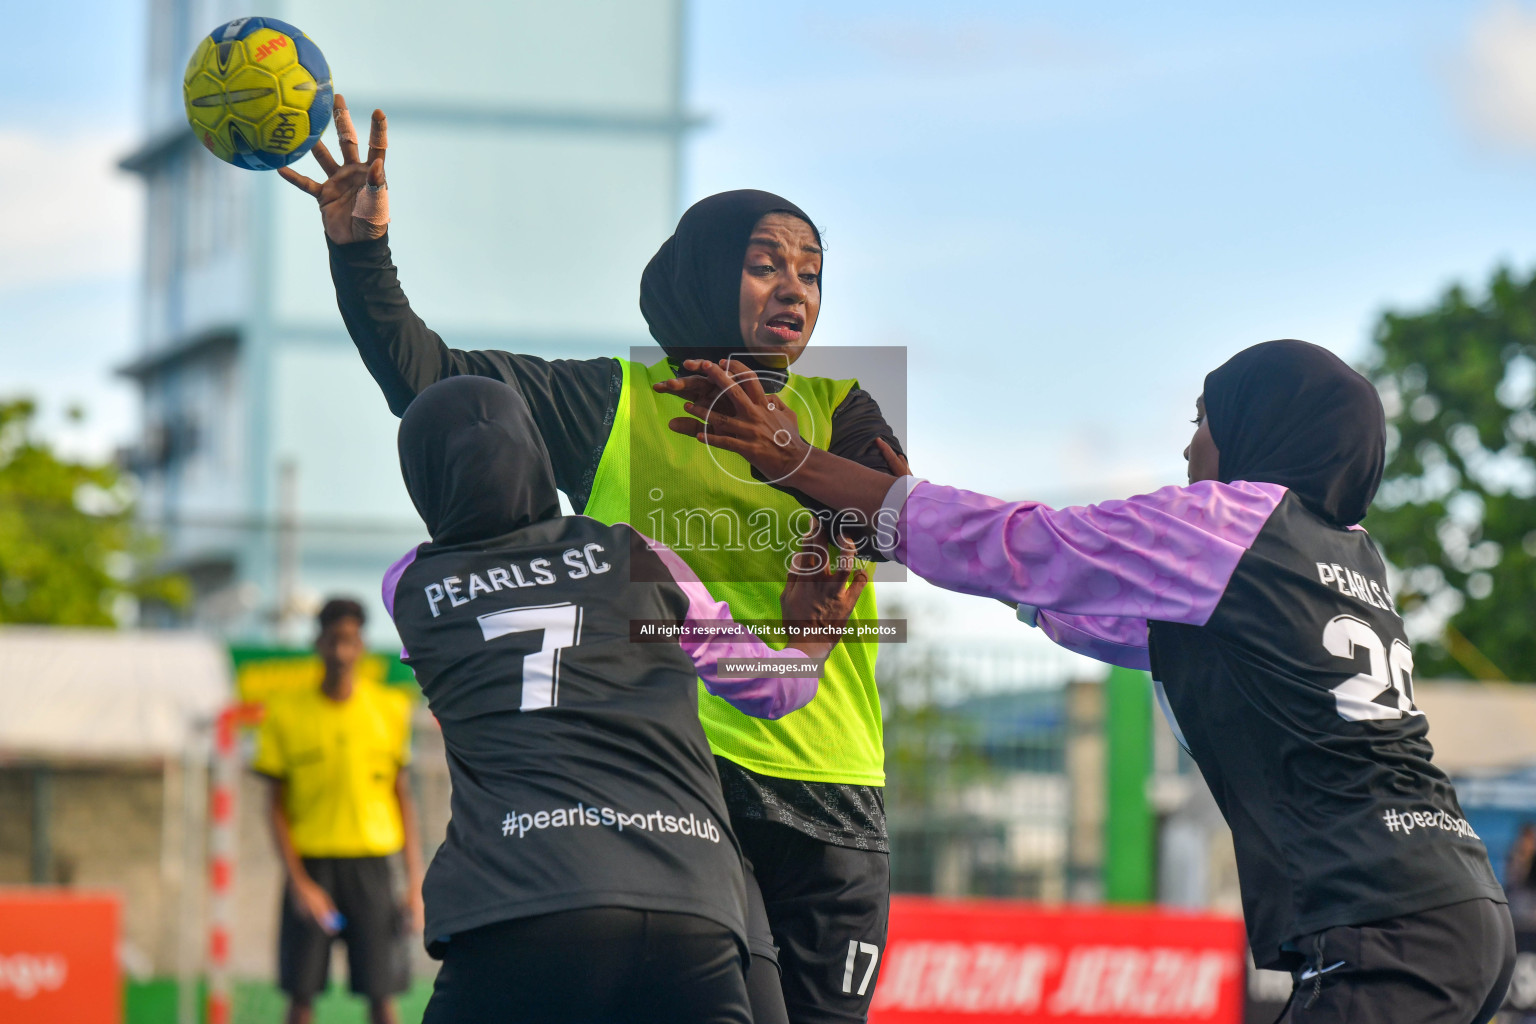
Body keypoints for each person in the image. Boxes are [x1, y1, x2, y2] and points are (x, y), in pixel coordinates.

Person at [280, 96, 904, 1022]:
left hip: (834, 788)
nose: (795, 290)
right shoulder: (615, 403)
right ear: (700, 276)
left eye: (810, 273)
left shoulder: (843, 404)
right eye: (765, 265)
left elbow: (897, 524)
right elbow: (437, 390)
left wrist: (790, 458)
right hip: (685, 792)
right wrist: (362, 253)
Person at [671, 340, 1516, 1024]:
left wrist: (799, 461)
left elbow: (1029, 543)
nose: (1189, 447)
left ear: (1258, 428)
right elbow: (1114, 618)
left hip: (1382, 926)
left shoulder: (1231, 518)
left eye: (1201, 422)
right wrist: (910, 527)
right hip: (1457, 910)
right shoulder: (1347, 554)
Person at [384, 375, 868, 1023]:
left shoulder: (412, 586)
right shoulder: (640, 556)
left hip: (520, 896)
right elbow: (771, 688)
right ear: (537, 453)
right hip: (689, 898)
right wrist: (808, 642)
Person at [252, 598, 424, 1024]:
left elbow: (403, 797)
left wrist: (414, 883)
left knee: (382, 998)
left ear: (362, 645)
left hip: (374, 868)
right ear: (318, 644)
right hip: (313, 869)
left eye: (350, 641)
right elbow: (274, 806)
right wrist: (298, 882)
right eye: (333, 641)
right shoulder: (286, 713)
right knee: (301, 997)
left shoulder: (390, 709)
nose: (342, 652)